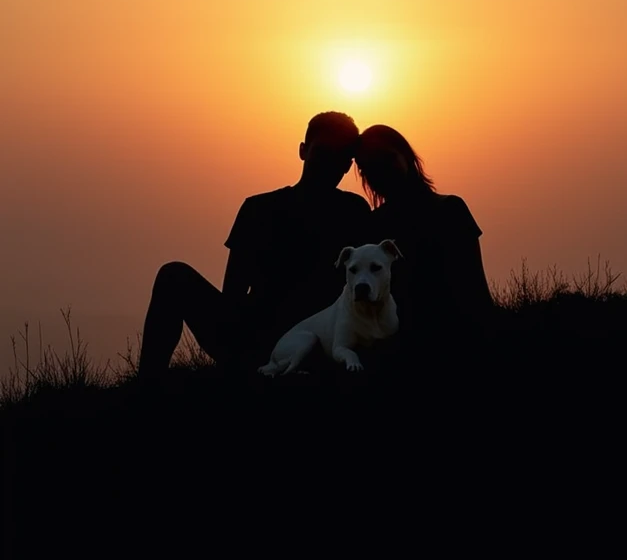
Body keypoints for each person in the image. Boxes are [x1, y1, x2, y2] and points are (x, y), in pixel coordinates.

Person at [137, 112, 371, 381]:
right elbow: (233, 294)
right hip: (252, 341)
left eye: (338, 158)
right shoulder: (258, 208)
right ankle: (147, 388)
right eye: (322, 153)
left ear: (347, 165)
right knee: (173, 276)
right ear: (303, 151)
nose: (328, 164)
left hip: (318, 343)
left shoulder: (355, 212)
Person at [354, 124, 494, 372]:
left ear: (406, 156)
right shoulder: (371, 227)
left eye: (386, 158)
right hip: (395, 358)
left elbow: (475, 291)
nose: (380, 171)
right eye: (369, 166)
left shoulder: (450, 210)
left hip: (458, 348)